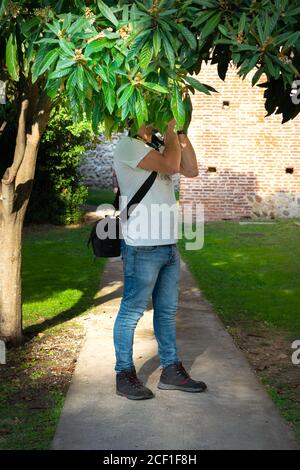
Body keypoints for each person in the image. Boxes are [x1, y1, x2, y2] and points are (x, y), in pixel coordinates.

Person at [112, 118, 207, 400]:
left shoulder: (160, 146)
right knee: (131, 312)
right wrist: (169, 132)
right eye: (150, 114)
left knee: (166, 312)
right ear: (134, 117)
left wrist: (180, 133)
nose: (155, 120)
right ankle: (124, 373)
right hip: (141, 245)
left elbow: (191, 170)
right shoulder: (128, 146)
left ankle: (170, 371)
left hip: (167, 244)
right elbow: (171, 166)